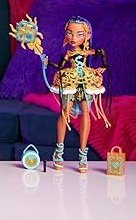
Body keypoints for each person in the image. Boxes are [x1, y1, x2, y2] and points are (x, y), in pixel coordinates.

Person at [42, 16, 110, 173]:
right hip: (70, 81)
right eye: (69, 33)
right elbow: (59, 67)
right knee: (64, 112)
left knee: (86, 112)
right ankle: (59, 152)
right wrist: (47, 63)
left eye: (79, 34)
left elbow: (101, 51)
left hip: (86, 81)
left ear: (87, 35)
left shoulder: (87, 52)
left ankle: (82, 155)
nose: (73, 38)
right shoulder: (68, 54)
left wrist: (104, 66)